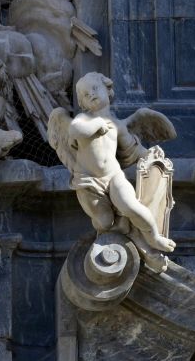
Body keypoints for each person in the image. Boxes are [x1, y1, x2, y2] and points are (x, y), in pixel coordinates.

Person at [51, 73, 175, 256]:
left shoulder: (119, 126)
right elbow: (75, 130)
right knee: (104, 222)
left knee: (131, 205)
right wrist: (98, 124)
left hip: (114, 177)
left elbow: (133, 151)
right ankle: (122, 226)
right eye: (85, 94)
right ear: (82, 104)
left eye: (95, 89)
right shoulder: (84, 120)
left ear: (108, 90)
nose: (91, 94)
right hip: (88, 181)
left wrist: (150, 155)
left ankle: (153, 236)